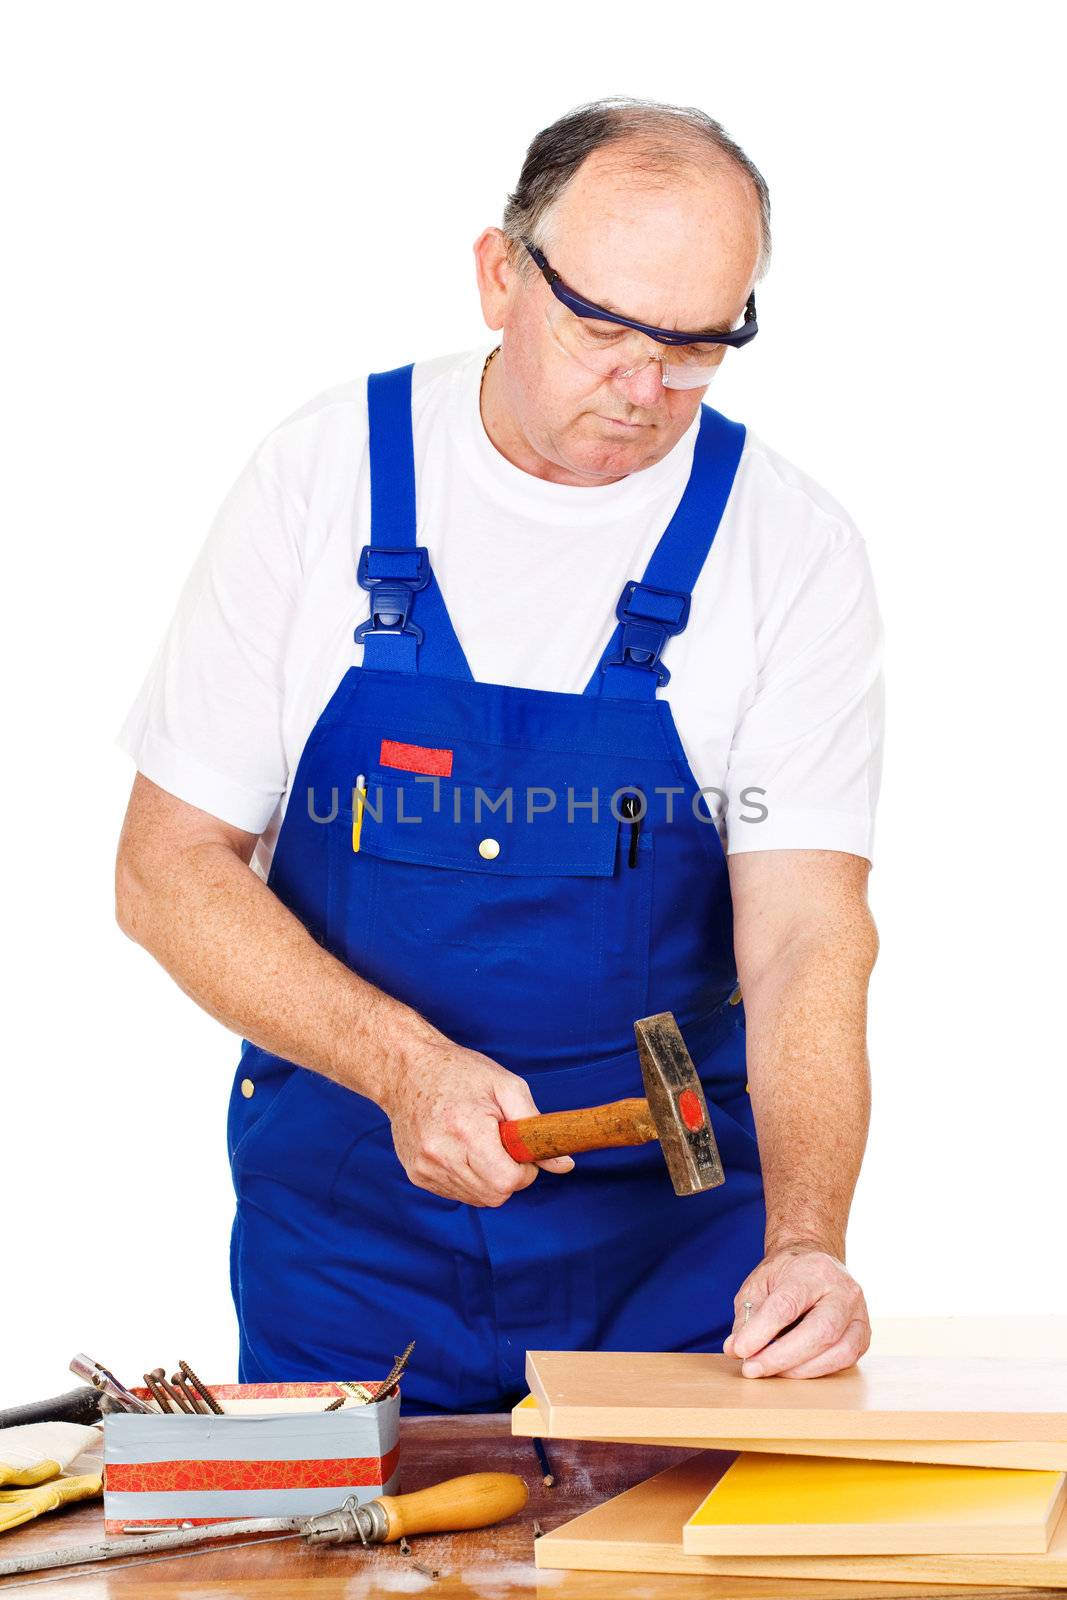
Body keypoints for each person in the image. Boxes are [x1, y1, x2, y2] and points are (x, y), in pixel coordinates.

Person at [116, 97, 883, 1412]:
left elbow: (808, 936)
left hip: (677, 1267)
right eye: (603, 329)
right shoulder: (321, 482)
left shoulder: (789, 545)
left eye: (697, 345)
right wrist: (403, 1067)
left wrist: (809, 1240)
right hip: (348, 1246)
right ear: (498, 273)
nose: (647, 389)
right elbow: (165, 872)